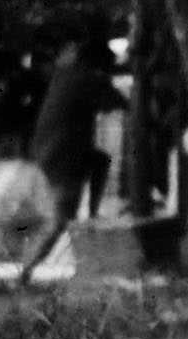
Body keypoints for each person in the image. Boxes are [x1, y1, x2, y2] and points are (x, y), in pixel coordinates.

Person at [17, 41, 127, 285]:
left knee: (100, 161)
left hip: (52, 151)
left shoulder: (66, 75)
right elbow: (121, 102)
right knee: (58, 220)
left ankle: (93, 213)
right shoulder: (89, 79)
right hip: (64, 156)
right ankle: (25, 271)